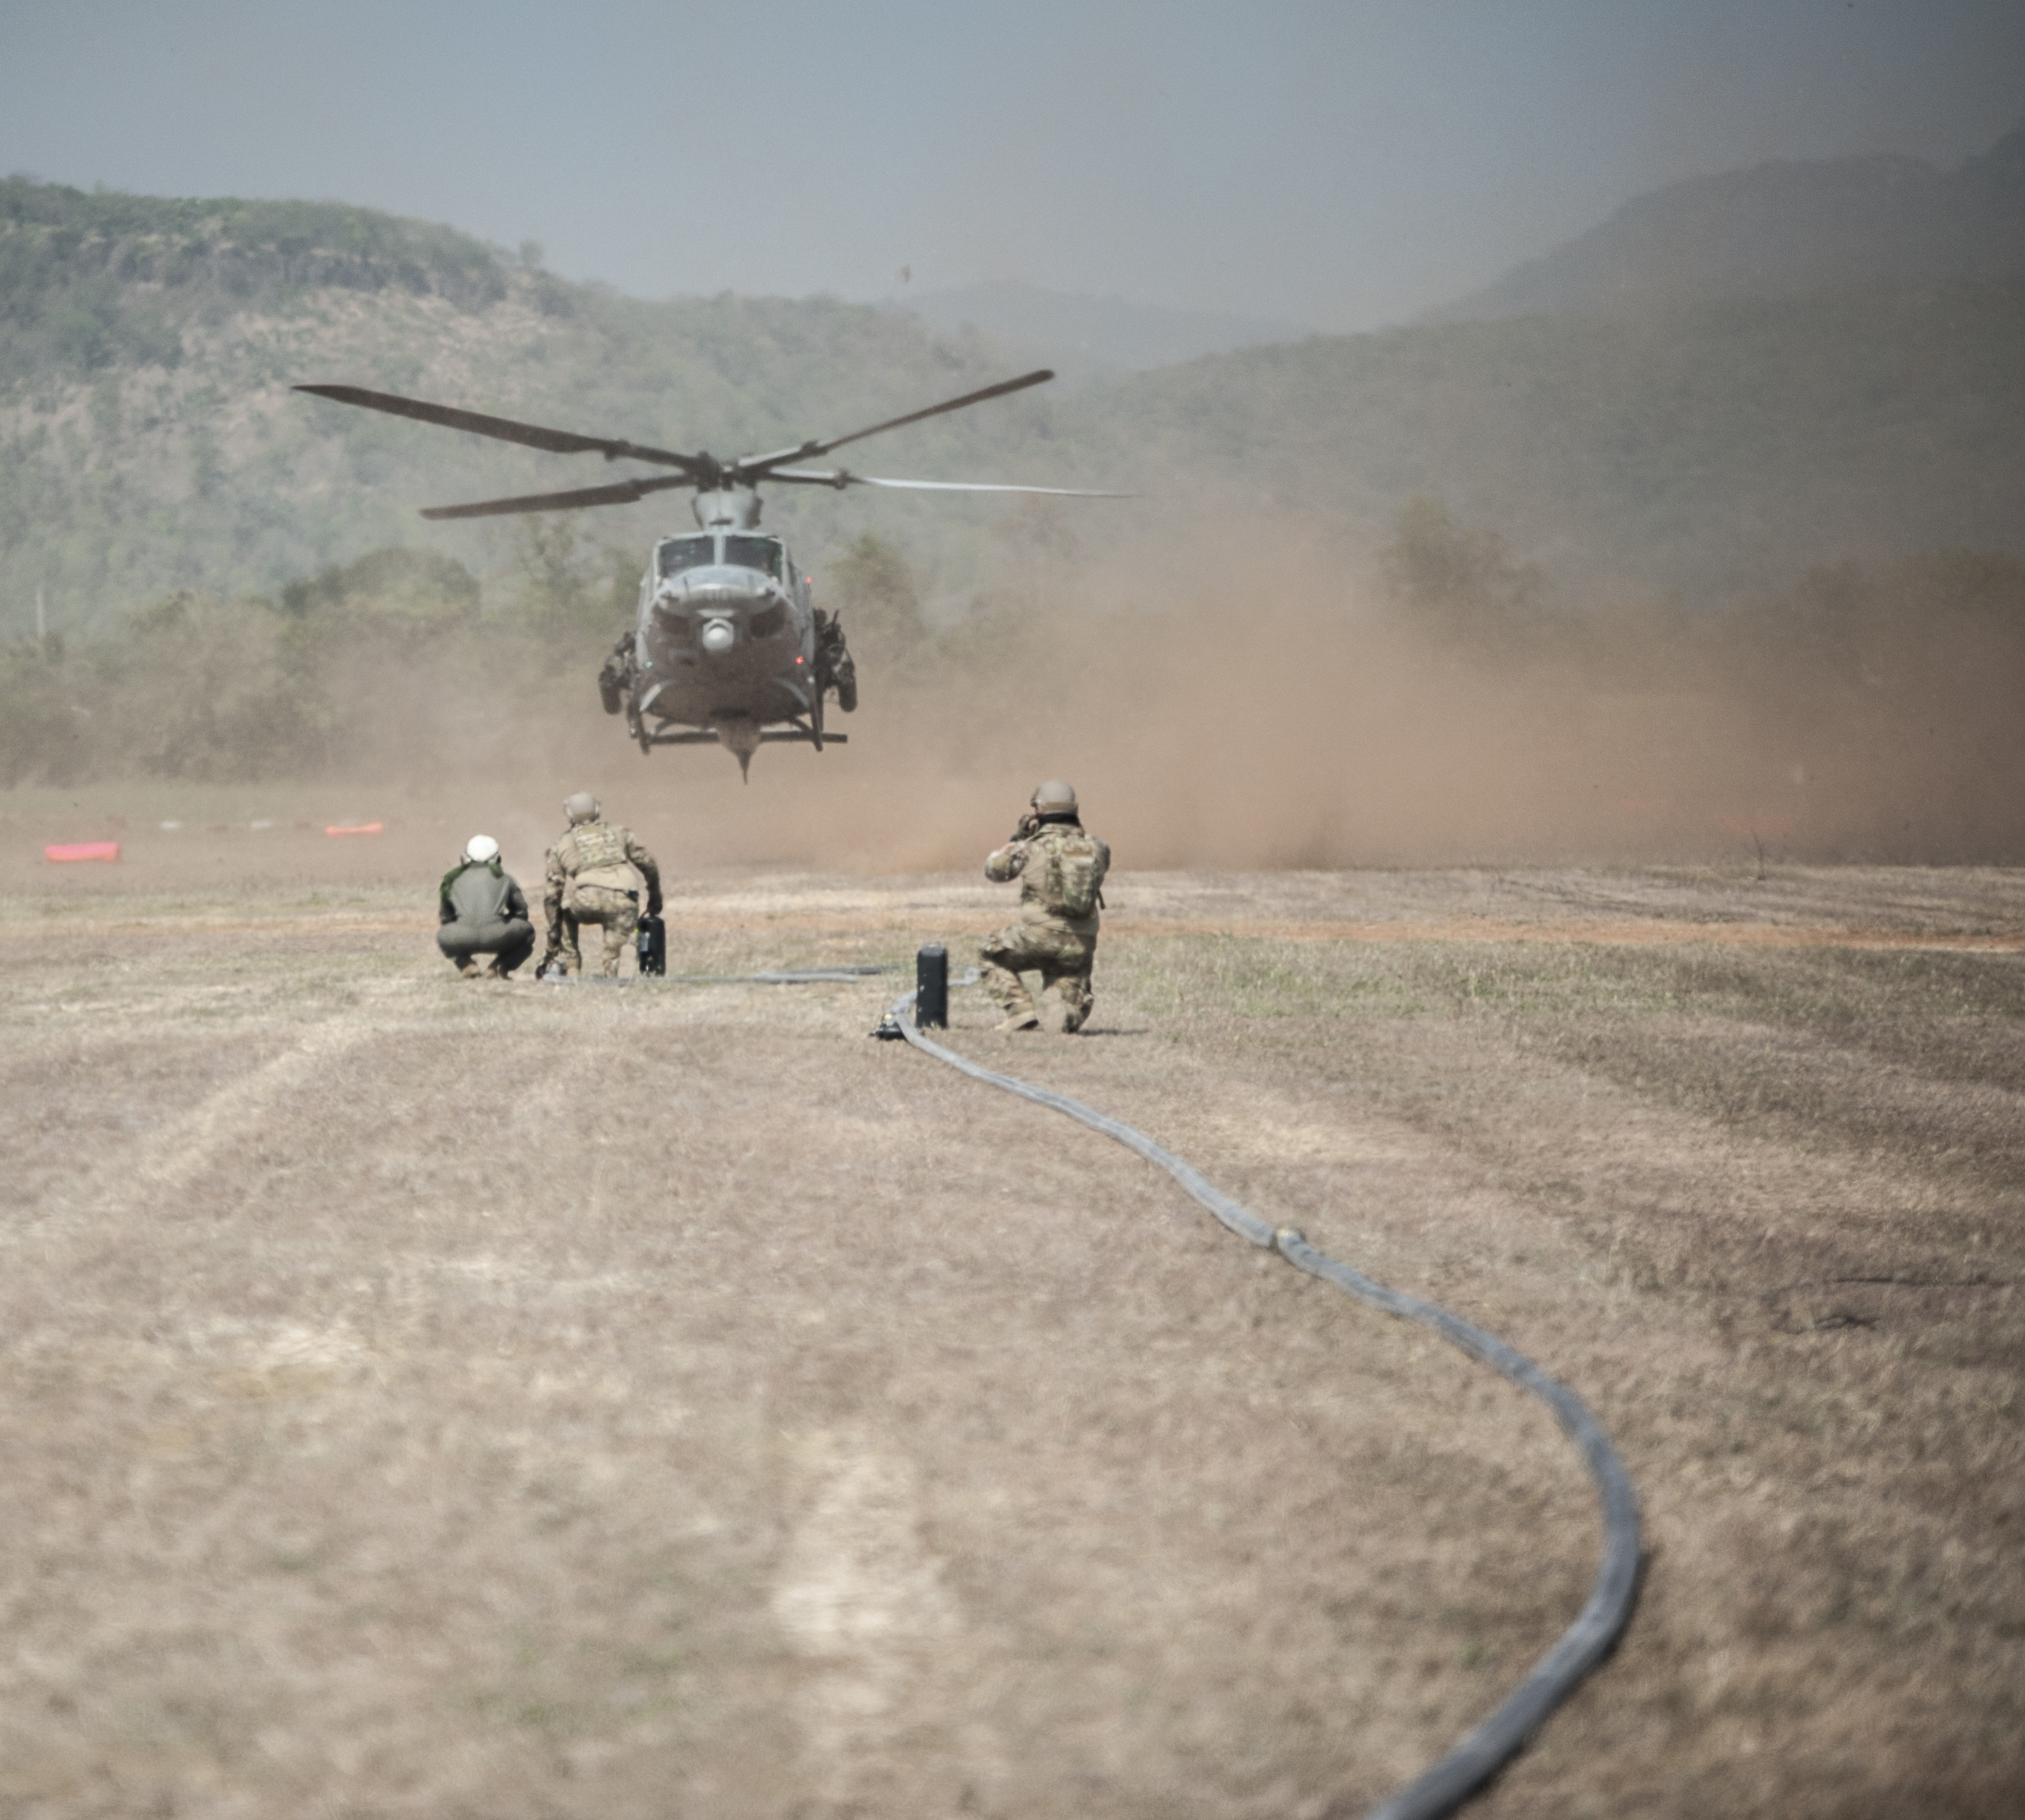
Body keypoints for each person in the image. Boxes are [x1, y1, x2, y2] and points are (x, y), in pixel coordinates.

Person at [980, 779, 1110, 1033]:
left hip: (1036, 939)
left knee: (989, 952)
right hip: (1079, 947)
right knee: (1068, 1006)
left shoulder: (1028, 848)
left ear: (1039, 810)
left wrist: (1013, 844)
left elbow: (994, 871)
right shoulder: (1098, 848)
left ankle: (1020, 1011)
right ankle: (1064, 1011)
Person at [541, 792, 662, 978]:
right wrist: (655, 897)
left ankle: (572, 967)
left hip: (587, 899)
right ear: (597, 810)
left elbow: (552, 894)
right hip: (625, 896)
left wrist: (553, 940)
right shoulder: (620, 832)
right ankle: (619, 964)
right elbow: (649, 864)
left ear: (569, 814)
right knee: (615, 950)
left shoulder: (562, 843)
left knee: (563, 910)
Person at [437, 834, 535, 980]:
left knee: (443, 934)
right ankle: (498, 967)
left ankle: (466, 964)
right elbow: (521, 912)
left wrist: (463, 923)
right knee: (528, 932)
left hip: (461, 936)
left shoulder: (451, 880)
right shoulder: (506, 879)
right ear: (497, 859)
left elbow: (445, 917)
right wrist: (503, 920)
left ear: (465, 858)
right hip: (498, 936)